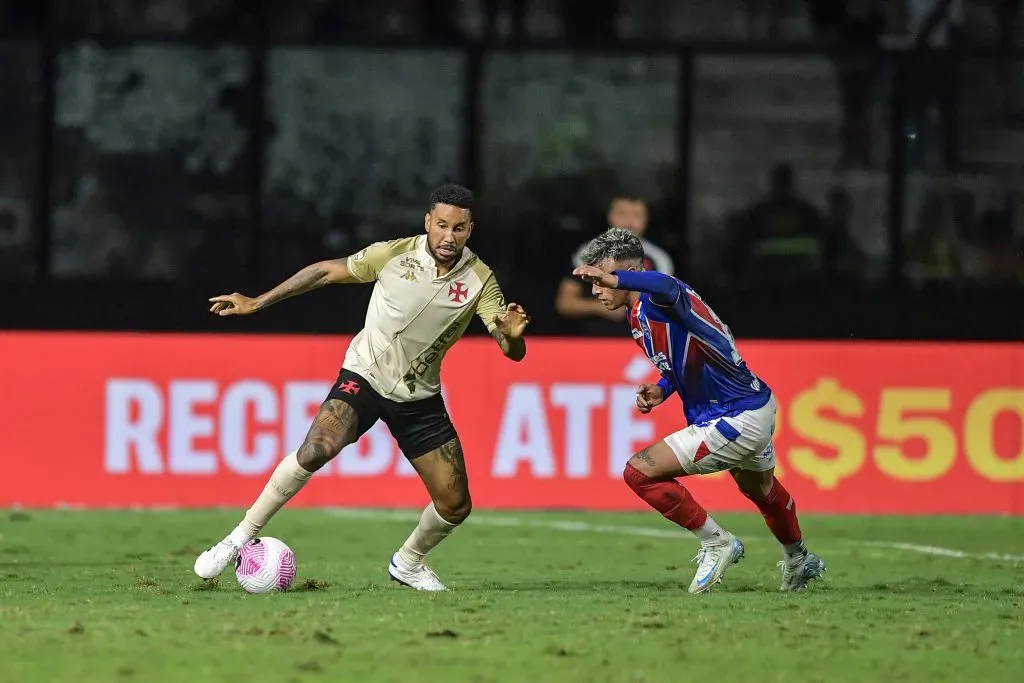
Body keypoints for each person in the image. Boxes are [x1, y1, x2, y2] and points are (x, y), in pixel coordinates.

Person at [193, 184, 530, 591]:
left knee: (456, 505)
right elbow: (323, 272)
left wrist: (512, 336)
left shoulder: (480, 280)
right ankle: (237, 539)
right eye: (441, 225)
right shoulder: (393, 254)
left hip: (418, 399)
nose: (448, 236)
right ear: (428, 222)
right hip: (364, 377)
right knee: (318, 447)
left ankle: (408, 563)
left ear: (470, 230)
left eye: (458, 228)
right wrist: (257, 303)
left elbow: (509, 348)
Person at [572, 228, 825, 594]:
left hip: (736, 416)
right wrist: (661, 389)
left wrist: (618, 278)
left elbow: (666, 284)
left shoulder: (662, 297)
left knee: (640, 473)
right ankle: (799, 559)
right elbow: (683, 360)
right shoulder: (636, 315)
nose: (596, 289)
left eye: (603, 278)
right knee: (761, 490)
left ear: (633, 270)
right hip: (753, 406)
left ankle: (716, 541)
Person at [555, 195, 674, 334]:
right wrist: (601, 308)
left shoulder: (659, 259)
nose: (630, 222)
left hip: (642, 345)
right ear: (610, 216)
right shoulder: (588, 254)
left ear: (646, 219)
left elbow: (669, 308)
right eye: (622, 214)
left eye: (637, 215)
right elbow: (565, 303)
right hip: (592, 340)